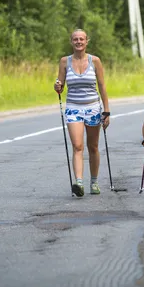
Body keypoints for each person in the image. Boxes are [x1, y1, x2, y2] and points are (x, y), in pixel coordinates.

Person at [54, 29, 110, 197]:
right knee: (77, 146)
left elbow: (102, 86)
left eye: (81, 39)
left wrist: (106, 111)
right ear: (71, 42)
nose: (78, 42)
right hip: (73, 108)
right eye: (75, 39)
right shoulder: (65, 61)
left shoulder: (95, 61)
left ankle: (94, 182)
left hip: (92, 107)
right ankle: (79, 182)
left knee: (92, 147)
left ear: (87, 41)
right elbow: (60, 85)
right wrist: (57, 86)